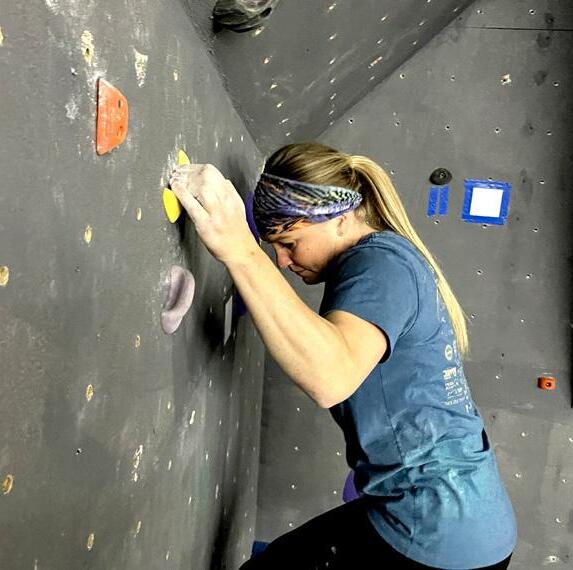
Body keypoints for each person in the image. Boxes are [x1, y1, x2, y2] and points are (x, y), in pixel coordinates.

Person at [169, 142, 517, 570]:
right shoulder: (383, 260)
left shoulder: (381, 265)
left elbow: (330, 377)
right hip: (457, 516)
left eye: (289, 243)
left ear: (340, 219)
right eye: (274, 247)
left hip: (436, 529)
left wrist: (240, 249)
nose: (282, 261)